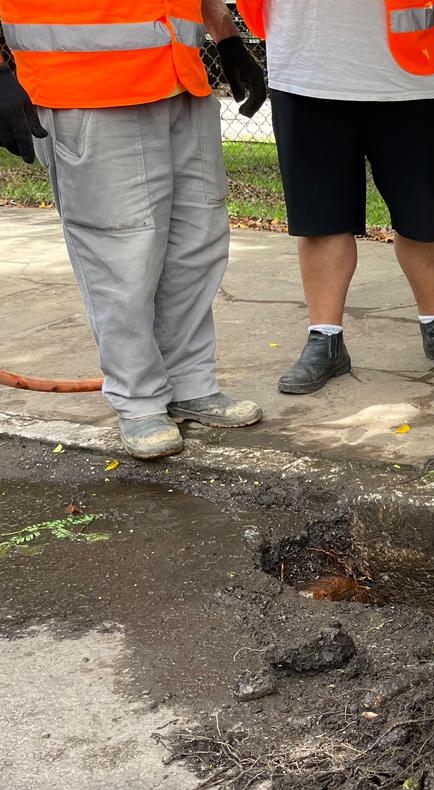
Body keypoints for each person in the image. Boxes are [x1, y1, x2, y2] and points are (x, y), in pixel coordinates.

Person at [0, 1, 268, 459]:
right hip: (86, 91)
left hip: (182, 80)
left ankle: (190, 384)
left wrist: (226, 39)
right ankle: (139, 400)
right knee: (122, 254)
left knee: (197, 242)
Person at [233, 0, 434, 396]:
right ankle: (325, 340)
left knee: (425, 217)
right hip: (305, 73)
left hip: (410, 77)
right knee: (321, 221)